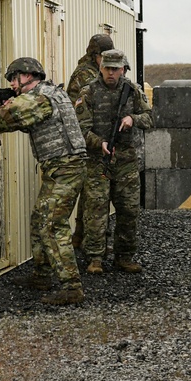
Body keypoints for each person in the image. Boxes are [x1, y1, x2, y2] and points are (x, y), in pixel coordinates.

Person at [0, 57, 88, 305]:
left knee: (51, 225)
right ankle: (41, 276)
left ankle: (72, 288)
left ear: (25, 76)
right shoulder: (48, 94)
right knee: (40, 219)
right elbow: (30, 122)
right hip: (61, 168)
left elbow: (5, 120)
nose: (12, 84)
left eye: (13, 79)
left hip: (65, 168)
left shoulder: (39, 96)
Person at [75, 48, 153, 274]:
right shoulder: (88, 93)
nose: (111, 73)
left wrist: (132, 118)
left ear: (122, 69)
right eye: (107, 68)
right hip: (98, 160)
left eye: (115, 69)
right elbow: (80, 129)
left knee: (129, 210)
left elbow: (150, 117)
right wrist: (98, 143)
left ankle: (124, 256)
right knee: (96, 210)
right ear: (101, 68)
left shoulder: (133, 91)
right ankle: (95, 258)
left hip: (126, 159)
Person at [65, 33, 114, 250]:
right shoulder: (85, 75)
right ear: (95, 55)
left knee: (89, 191)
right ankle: (84, 238)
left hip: (90, 136)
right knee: (90, 191)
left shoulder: (92, 70)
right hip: (83, 136)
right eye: (103, 57)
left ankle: (82, 236)